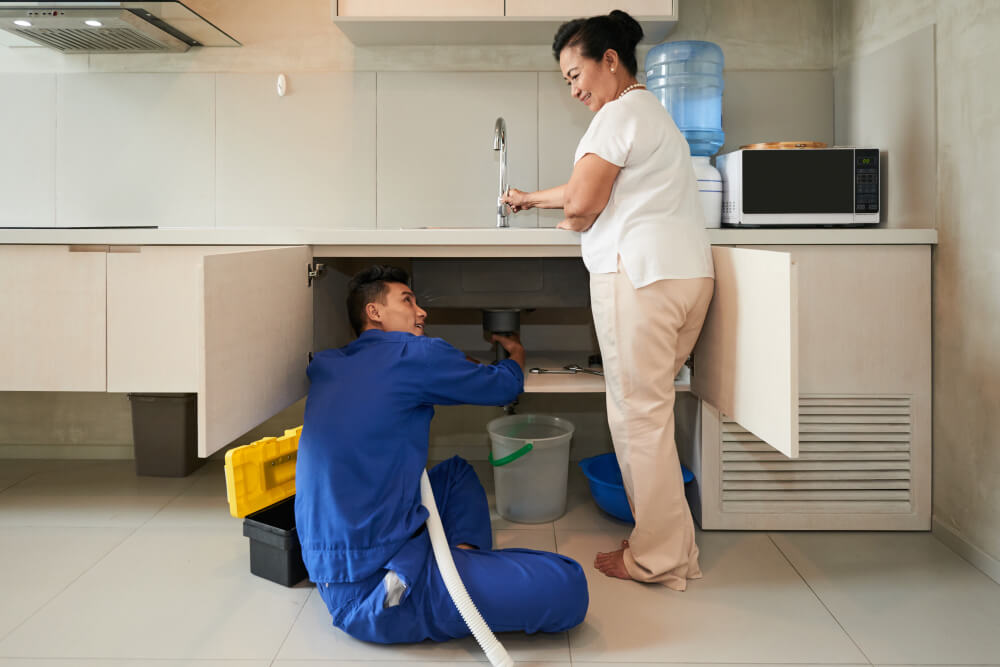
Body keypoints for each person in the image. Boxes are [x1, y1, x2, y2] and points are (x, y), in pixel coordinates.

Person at [503, 10, 715, 591]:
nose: (574, 89)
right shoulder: (650, 115)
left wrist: (567, 216)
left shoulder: (614, 116)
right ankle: (670, 544)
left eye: (577, 75)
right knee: (651, 414)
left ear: (611, 61)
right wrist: (529, 199)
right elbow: (587, 190)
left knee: (638, 419)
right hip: (685, 279)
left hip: (639, 281)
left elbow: (584, 204)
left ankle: (658, 558)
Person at [294, 265, 589, 644]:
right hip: (380, 593)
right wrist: (516, 353)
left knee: (456, 475)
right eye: (407, 301)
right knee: (569, 585)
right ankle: (450, 583)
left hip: (334, 566)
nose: (422, 312)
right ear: (374, 312)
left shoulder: (330, 363)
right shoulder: (415, 354)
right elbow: (502, 386)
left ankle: (455, 568)